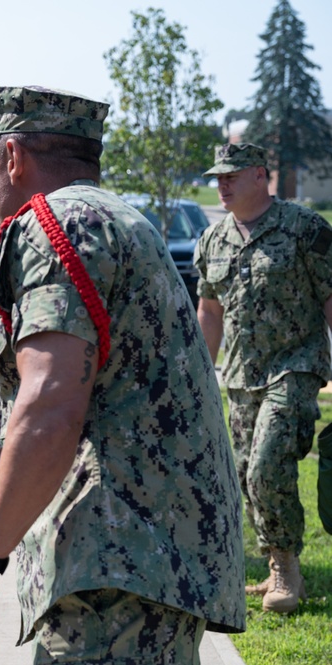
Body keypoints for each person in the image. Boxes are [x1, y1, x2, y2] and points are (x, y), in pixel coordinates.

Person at [0, 86, 246, 663]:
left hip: (113, 570)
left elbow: (50, 411)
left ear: (12, 157)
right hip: (153, 562)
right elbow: (33, 432)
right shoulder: (120, 220)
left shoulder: (53, 227)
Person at [195, 142, 332, 614]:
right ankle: (275, 556)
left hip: (296, 365)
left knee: (267, 465)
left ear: (260, 175)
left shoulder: (305, 229)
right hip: (240, 374)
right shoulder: (213, 240)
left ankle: (285, 569)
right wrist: (198, 378)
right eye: (218, 177)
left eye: (231, 175)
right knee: (243, 475)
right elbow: (209, 312)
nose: (222, 184)